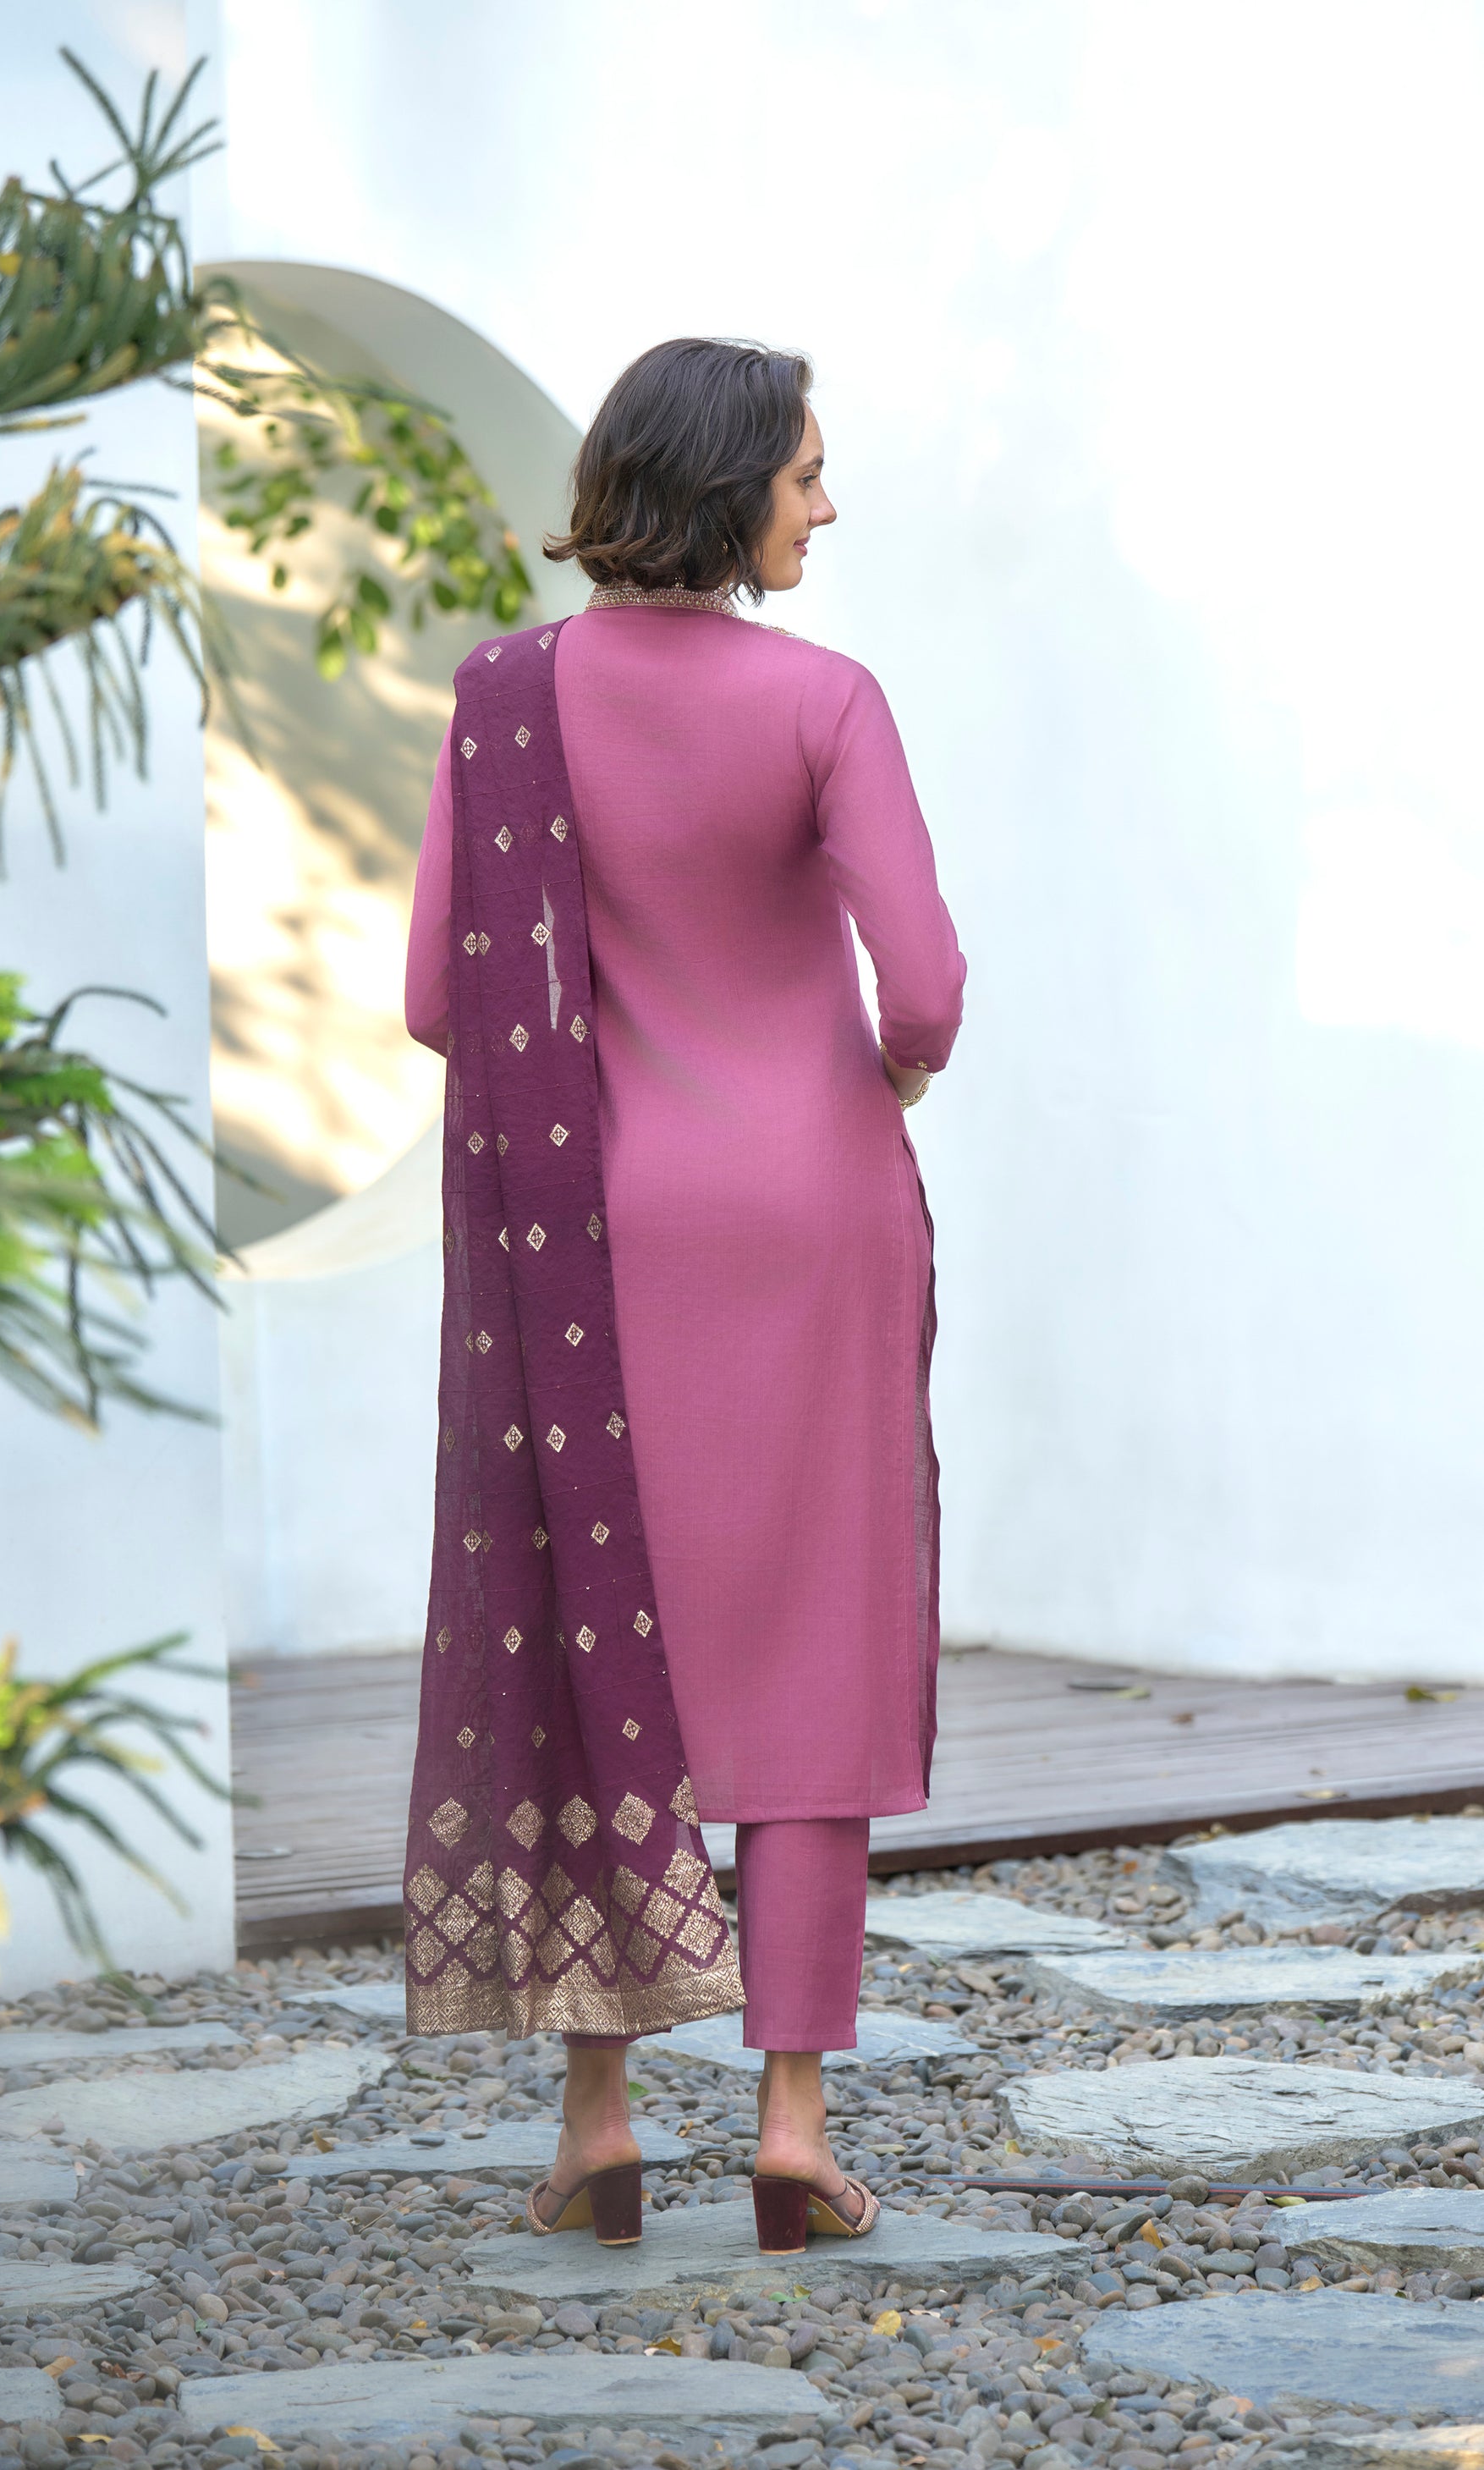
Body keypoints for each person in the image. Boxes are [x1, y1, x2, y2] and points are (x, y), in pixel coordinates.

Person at [403, 338, 965, 2256]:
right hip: (813, 1223)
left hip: (595, 1238)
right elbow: (927, 982)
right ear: (729, 491)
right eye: (806, 473)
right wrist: (888, 1073)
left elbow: (438, 997)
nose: (826, 504)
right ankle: (793, 2130)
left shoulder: (503, 701)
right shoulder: (823, 700)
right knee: (815, 1648)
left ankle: (599, 2120)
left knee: (596, 1641)